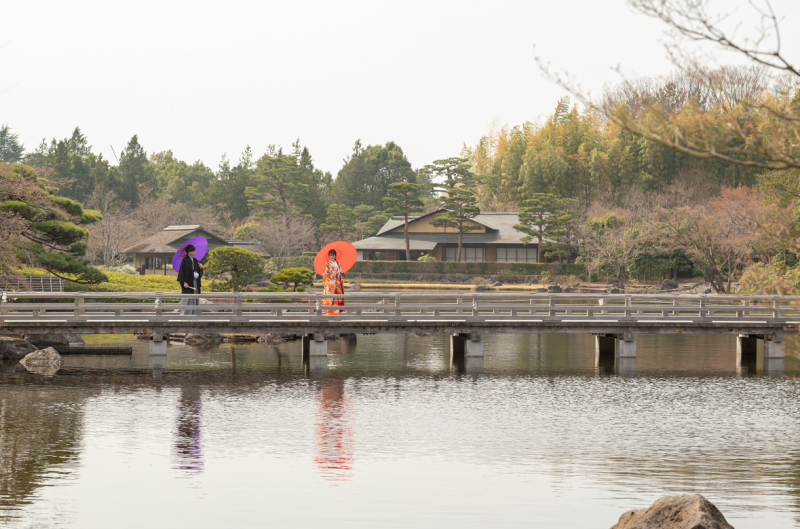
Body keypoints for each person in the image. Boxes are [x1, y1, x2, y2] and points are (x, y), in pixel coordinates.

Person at [177, 244, 203, 315]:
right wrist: (184, 282)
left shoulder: (195, 261)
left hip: (195, 282)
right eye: (193, 251)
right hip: (188, 283)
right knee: (188, 298)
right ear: (189, 252)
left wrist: (200, 268)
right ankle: (186, 314)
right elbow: (182, 272)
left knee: (195, 297)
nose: (195, 252)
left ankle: (194, 313)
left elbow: (199, 273)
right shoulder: (185, 260)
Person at [322, 249, 344, 315]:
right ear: (329, 256)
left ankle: (337, 312)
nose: (331, 257)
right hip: (331, 285)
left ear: (335, 256)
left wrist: (341, 272)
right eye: (330, 255)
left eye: (333, 255)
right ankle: (331, 312)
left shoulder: (338, 264)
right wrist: (336, 273)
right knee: (332, 298)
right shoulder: (328, 264)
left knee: (338, 297)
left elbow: (342, 273)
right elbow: (326, 274)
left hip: (338, 284)